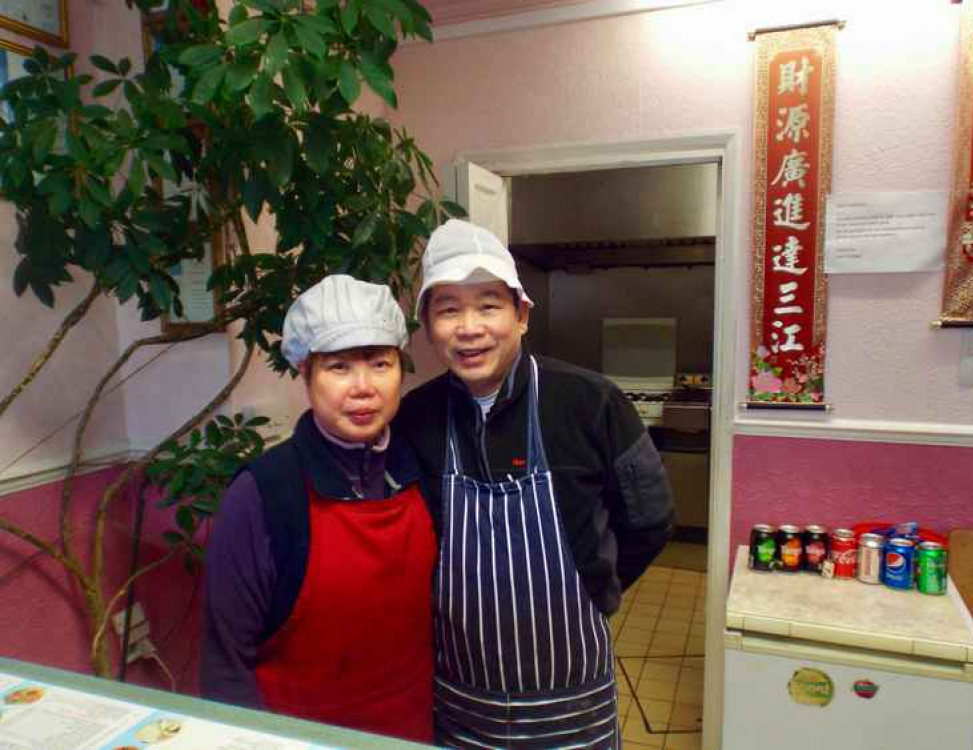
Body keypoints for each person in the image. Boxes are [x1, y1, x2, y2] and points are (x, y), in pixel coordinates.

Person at [395, 219, 675, 747]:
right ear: (428, 326)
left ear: (521, 315)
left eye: (488, 305)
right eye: (448, 308)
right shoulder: (414, 417)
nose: (469, 327)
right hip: (461, 701)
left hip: (573, 703)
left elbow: (651, 519)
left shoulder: (592, 403)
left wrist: (596, 585)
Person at [201, 275, 436, 743]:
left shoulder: (420, 470)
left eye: (380, 363)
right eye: (339, 367)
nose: (364, 387)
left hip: (412, 731)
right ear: (305, 373)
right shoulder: (263, 494)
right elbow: (226, 666)